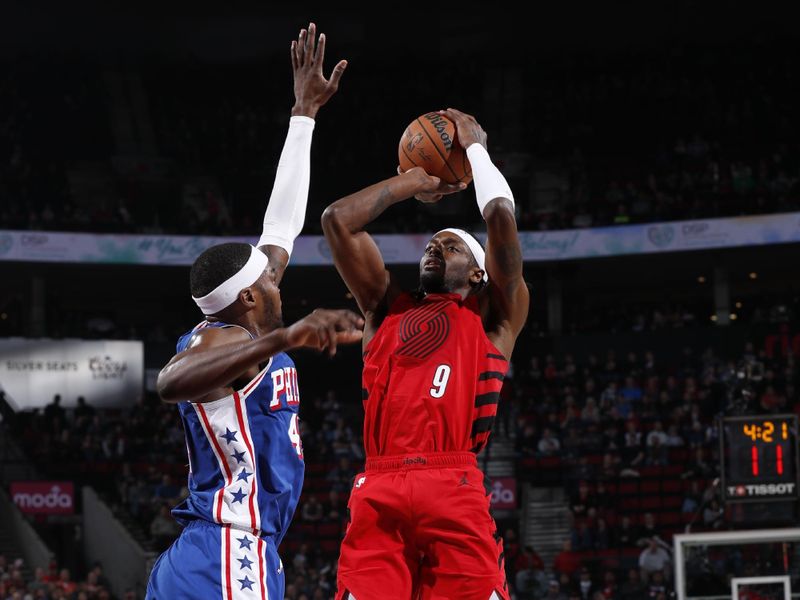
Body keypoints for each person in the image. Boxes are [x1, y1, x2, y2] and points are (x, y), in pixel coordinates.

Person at [145, 22, 362, 600]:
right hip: (229, 552)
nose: (277, 270)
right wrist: (282, 339)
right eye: (268, 275)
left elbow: (281, 222)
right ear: (248, 298)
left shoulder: (246, 317)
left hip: (208, 555)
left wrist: (304, 113)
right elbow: (170, 383)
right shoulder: (223, 343)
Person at [322, 108, 529, 599]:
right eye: (433, 242)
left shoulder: (495, 321)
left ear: (478, 273)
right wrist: (409, 182)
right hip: (380, 483)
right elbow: (337, 221)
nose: (435, 248)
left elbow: (499, 216)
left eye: (451, 246)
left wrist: (475, 149)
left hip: (453, 482)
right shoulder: (383, 309)